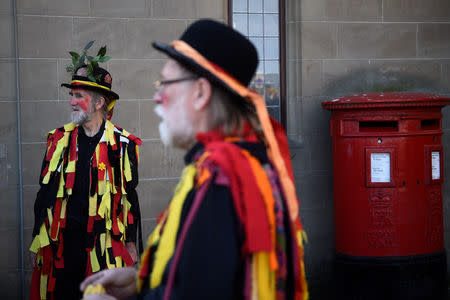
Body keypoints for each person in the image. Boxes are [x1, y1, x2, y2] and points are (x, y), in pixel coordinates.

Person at [80, 19, 308, 300]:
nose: (157, 97)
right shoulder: (240, 164)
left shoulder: (221, 178)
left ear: (201, 93)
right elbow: (204, 278)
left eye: (165, 83)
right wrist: (141, 281)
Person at [29, 44, 142, 300]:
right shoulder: (58, 140)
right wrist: (37, 239)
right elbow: (44, 193)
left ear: (100, 102)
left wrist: (131, 242)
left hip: (103, 245)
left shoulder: (122, 145)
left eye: (79, 95)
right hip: (62, 246)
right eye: (72, 95)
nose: (72, 101)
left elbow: (130, 197)